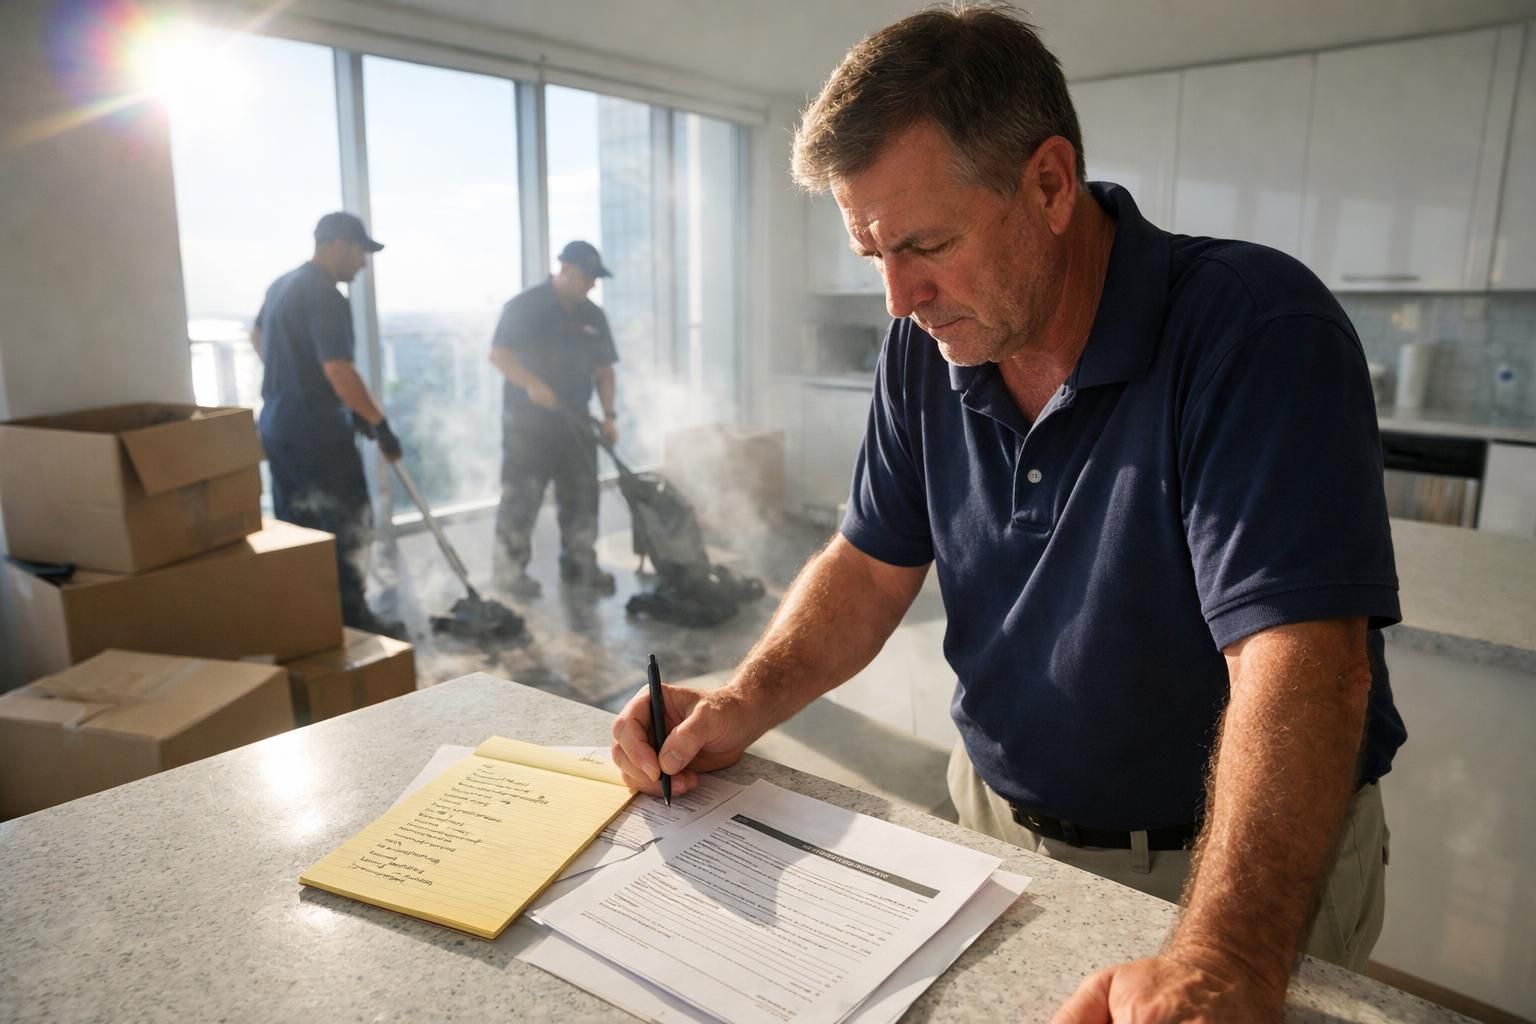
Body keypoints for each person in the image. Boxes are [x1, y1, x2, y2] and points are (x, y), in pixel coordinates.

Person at [610, 7, 1405, 1022]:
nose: (899, 296)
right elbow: (865, 564)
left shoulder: (1254, 331)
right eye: (873, 254)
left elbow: (1301, 662)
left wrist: (1226, 954)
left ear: (1049, 183)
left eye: (928, 243)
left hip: (1226, 882)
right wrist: (737, 702)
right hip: (990, 838)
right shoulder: (924, 350)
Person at [252, 211, 406, 640]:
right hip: (318, 435)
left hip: (278, 427)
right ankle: (353, 620)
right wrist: (379, 423)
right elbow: (339, 369)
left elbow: (257, 336)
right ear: (338, 244)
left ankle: (309, 619)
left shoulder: (282, 285)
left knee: (299, 527)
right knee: (347, 522)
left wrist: (295, 380)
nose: (362, 263)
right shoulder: (325, 296)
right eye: (360, 252)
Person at [489, 240, 621, 598]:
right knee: (521, 499)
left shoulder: (593, 317)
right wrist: (532, 385)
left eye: (595, 279)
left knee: (582, 496)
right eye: (585, 277)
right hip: (528, 428)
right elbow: (499, 355)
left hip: (576, 422)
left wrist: (609, 416)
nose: (590, 285)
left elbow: (605, 371)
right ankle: (509, 573)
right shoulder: (524, 307)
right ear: (563, 270)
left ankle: (580, 565)